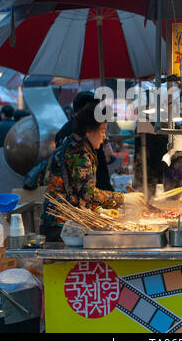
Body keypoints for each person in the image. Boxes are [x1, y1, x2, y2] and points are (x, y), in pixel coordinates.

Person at [40, 102, 145, 242]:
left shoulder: (75, 145)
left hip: (64, 224)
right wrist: (124, 199)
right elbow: (88, 193)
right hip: (61, 227)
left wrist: (99, 209)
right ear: (88, 131)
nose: (104, 137)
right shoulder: (79, 154)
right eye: (102, 131)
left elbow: (77, 190)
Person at [55, 91, 114, 192]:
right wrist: (120, 198)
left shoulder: (80, 138)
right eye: (94, 109)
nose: (104, 137)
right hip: (69, 200)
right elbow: (87, 193)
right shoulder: (77, 148)